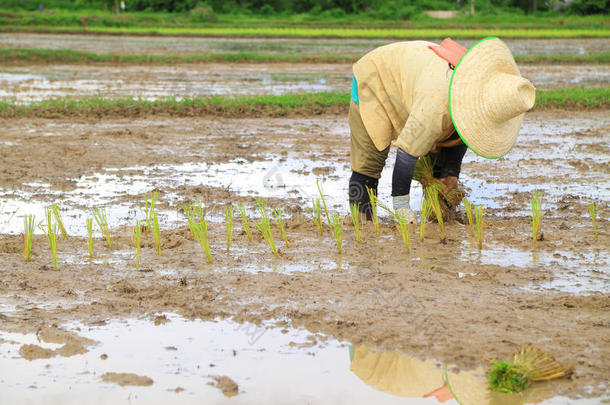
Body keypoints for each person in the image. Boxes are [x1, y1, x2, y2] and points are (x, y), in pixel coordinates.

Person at [348, 37, 536, 223]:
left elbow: (463, 133)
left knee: (440, 170)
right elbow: (407, 154)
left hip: (419, 84)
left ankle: (438, 217)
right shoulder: (436, 104)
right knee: (369, 164)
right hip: (376, 79)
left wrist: (450, 173)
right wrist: (402, 207)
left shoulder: (478, 88)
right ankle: (361, 222)